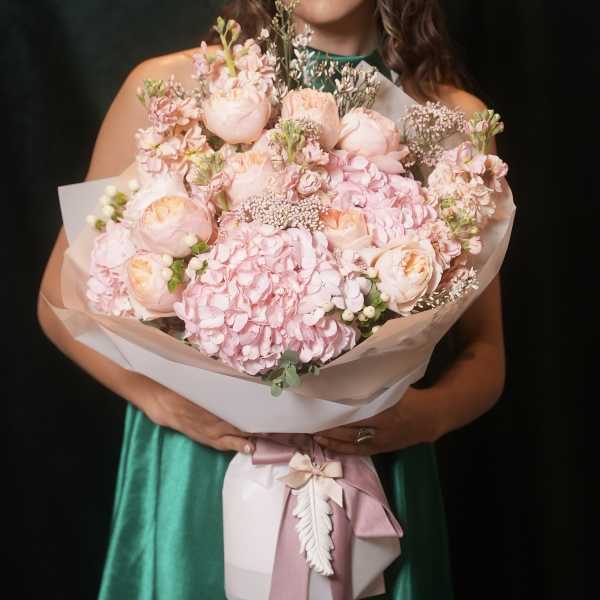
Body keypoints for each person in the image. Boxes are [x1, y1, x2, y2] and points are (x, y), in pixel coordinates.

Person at [37, 1, 506, 597]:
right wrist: (160, 401)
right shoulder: (172, 88)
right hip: (198, 466)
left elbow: (486, 353)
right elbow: (58, 300)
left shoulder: (454, 120)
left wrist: (424, 418)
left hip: (375, 463)